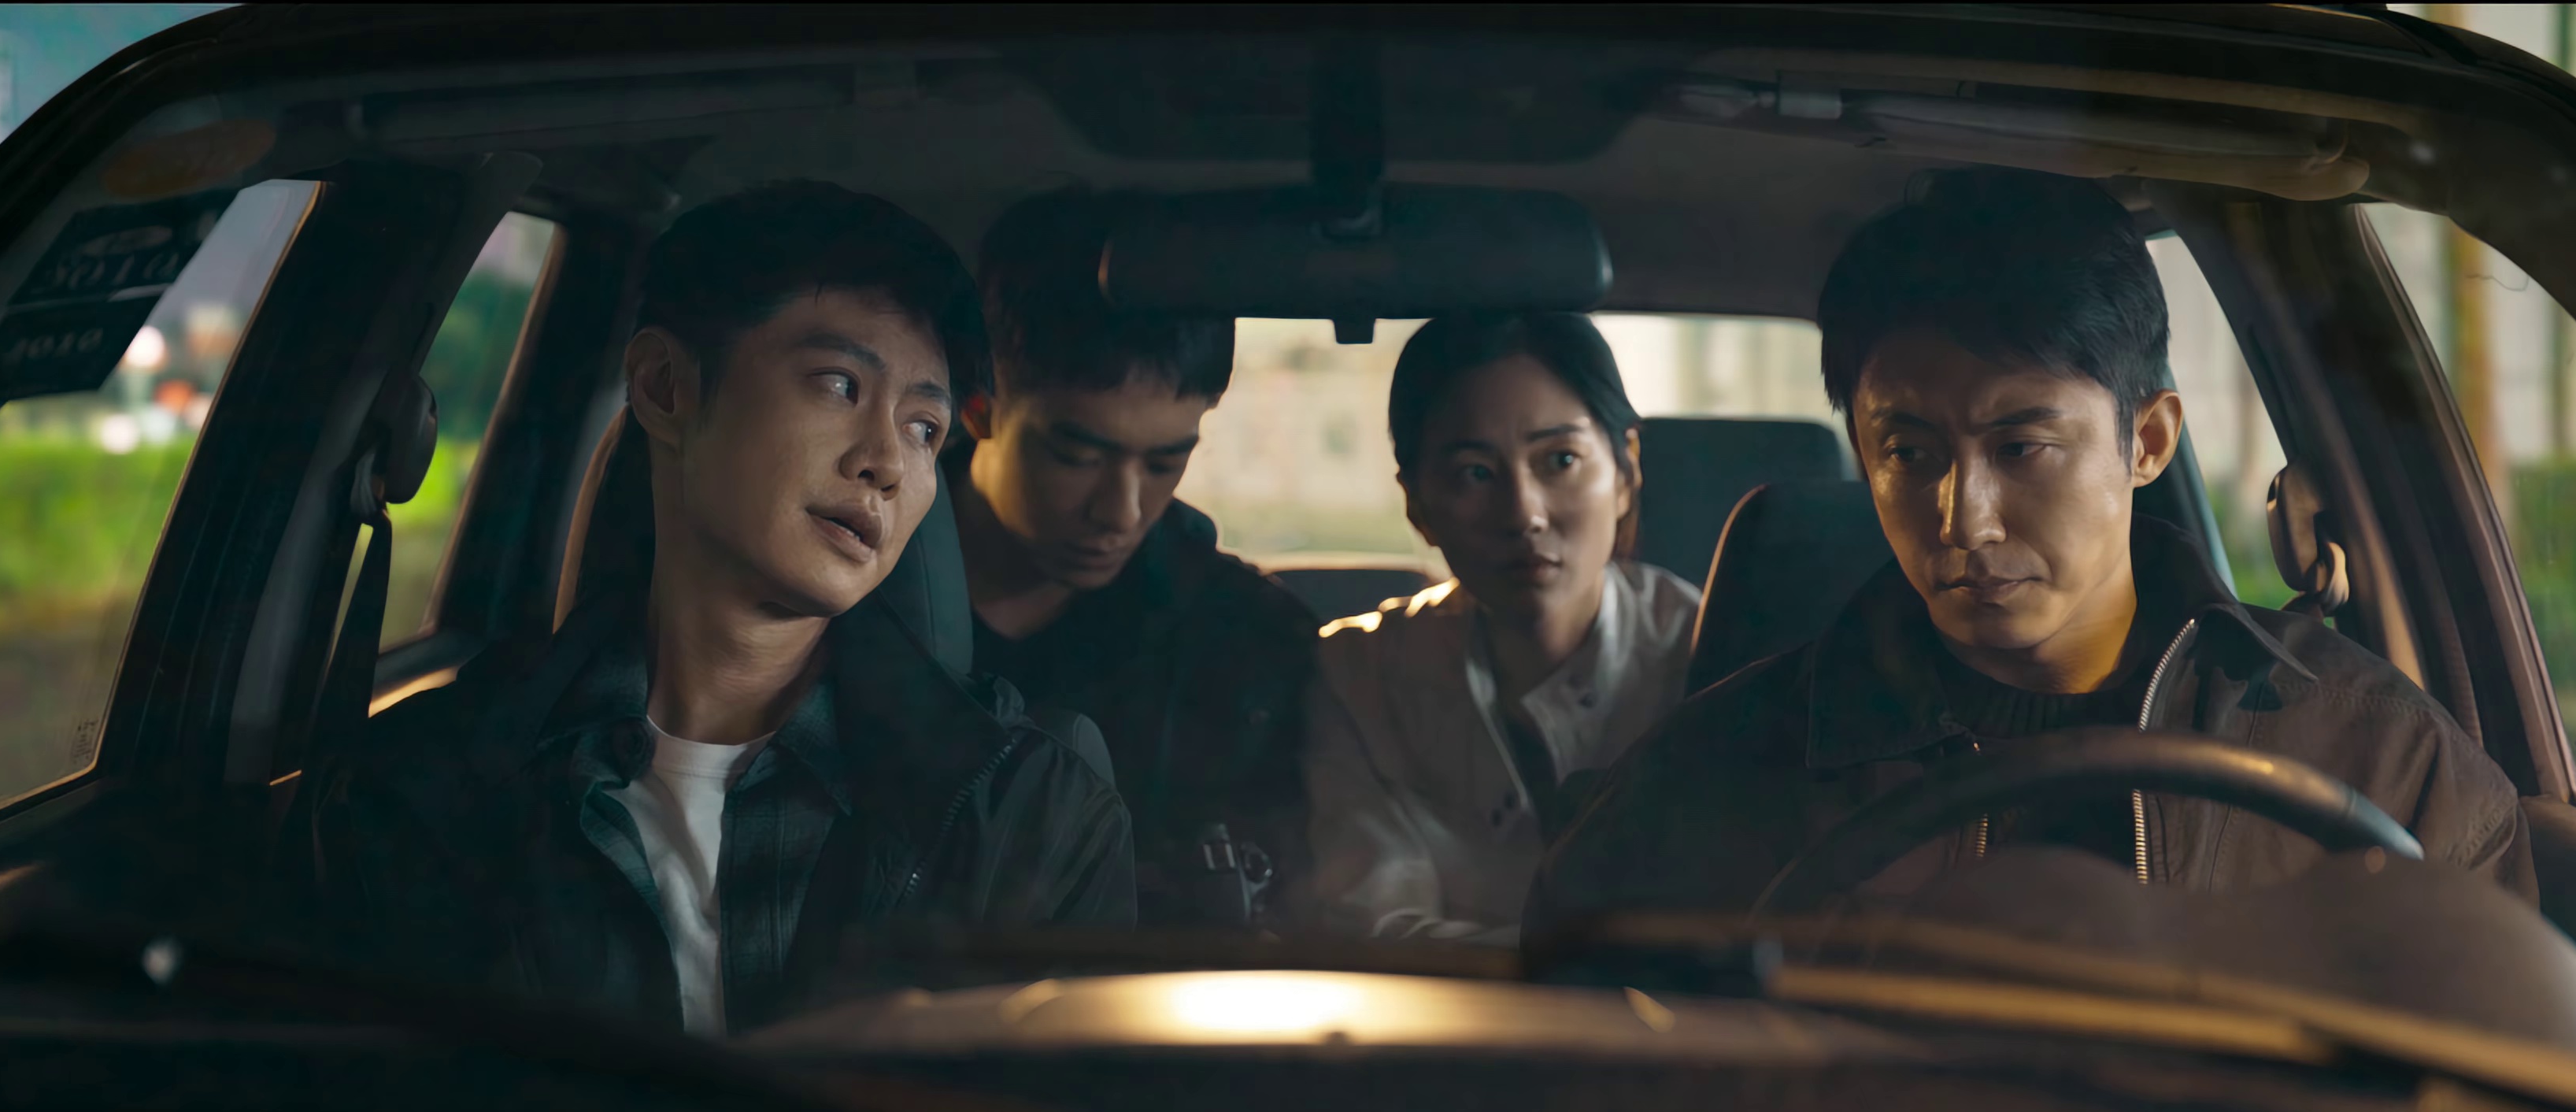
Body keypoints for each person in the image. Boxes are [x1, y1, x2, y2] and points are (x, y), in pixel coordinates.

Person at [1529, 170, 2531, 934]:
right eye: (1909, 454)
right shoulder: (1717, 772)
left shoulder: (2380, 759)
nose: (1965, 520)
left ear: (2147, 442)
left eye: (2022, 448)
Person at [312, 181, 1134, 1036]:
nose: (888, 463)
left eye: (925, 428)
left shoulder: (1030, 810)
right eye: (840, 385)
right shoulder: (425, 789)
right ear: (666, 388)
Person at [947, 187, 1318, 929]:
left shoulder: (1250, 644)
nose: (1121, 512)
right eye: (1078, 455)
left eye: (1164, 462)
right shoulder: (839, 604)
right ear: (980, 404)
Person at [1299, 313, 1701, 945]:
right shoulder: (1359, 675)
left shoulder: (1712, 654)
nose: (1523, 514)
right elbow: (1370, 932)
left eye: (1560, 460)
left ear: (1627, 472)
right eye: (1475, 473)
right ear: (1417, 504)